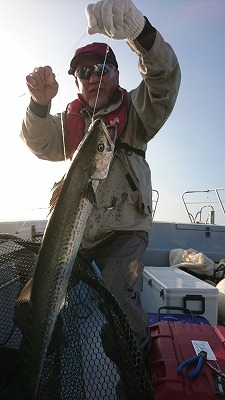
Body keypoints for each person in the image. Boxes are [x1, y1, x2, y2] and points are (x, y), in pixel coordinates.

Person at [20, 0, 181, 370]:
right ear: (76, 82)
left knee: (121, 301)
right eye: (85, 72)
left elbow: (165, 79)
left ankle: (136, 368)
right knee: (32, 304)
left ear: (118, 74)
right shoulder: (71, 122)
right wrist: (38, 105)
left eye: (103, 68)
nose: (94, 76)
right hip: (78, 237)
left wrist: (142, 34)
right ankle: (41, 361)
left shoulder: (138, 112)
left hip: (125, 231)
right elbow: (37, 139)